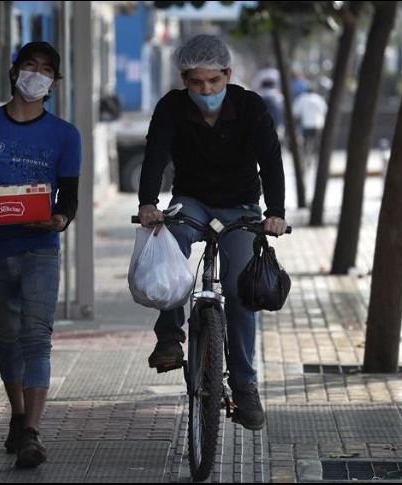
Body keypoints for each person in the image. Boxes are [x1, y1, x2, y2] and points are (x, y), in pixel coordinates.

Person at [136, 34, 287, 431]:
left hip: (241, 206)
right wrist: (148, 203)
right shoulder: (171, 107)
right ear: (184, 79)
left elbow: (271, 161)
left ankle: (245, 384)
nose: (206, 90)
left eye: (214, 82)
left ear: (228, 75)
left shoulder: (251, 107)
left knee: (241, 289)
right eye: (197, 83)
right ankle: (169, 336)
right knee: (169, 249)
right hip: (193, 200)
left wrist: (276, 213)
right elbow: (155, 155)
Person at [0, 41, 81, 469]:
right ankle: (17, 413)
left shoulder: (65, 135)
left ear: (54, 82)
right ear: (14, 72)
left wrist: (59, 221)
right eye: (31, 65)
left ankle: (32, 431)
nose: (37, 74)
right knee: (7, 336)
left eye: (47, 69)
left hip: (40, 249)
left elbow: (70, 200)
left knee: (36, 337)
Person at [292, 86, 328, 161]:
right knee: (317, 141)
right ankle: (316, 156)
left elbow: (296, 112)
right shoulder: (319, 98)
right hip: (318, 124)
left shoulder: (302, 98)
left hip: (306, 124)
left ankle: (306, 157)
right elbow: (325, 110)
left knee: (305, 141)